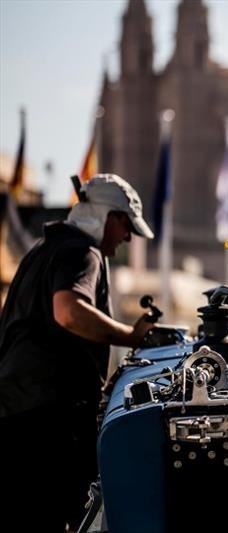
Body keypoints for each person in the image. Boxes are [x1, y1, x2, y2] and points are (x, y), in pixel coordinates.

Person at [0, 174, 156, 532]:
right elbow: (69, 311)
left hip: (15, 416)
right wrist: (132, 337)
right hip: (49, 423)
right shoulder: (83, 252)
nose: (128, 237)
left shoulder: (42, 250)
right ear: (109, 217)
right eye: (126, 225)